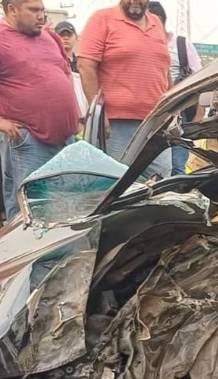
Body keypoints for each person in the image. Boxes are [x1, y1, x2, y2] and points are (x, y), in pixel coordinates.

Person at [0, 0, 79, 221]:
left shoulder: (50, 37)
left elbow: (65, 73)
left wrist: (72, 113)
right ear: (12, 9)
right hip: (29, 140)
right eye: (33, 10)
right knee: (31, 213)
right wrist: (1, 123)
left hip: (65, 138)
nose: (41, 16)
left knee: (67, 207)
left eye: (42, 10)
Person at [78, 0, 172, 179]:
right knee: (117, 183)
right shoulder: (102, 19)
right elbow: (86, 66)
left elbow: (164, 68)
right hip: (116, 125)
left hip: (156, 123)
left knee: (161, 182)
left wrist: (172, 106)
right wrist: (99, 112)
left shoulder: (156, 23)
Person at [147, 1, 202, 175]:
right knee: (149, 166)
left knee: (177, 166)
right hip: (150, 113)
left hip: (179, 113)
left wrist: (199, 114)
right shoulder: (142, 46)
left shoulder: (181, 45)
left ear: (160, 21)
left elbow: (201, 80)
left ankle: (177, 189)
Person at [54, 20, 88, 119]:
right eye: (62, 35)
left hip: (85, 117)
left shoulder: (83, 63)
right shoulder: (52, 63)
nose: (65, 38)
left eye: (69, 35)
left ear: (76, 38)